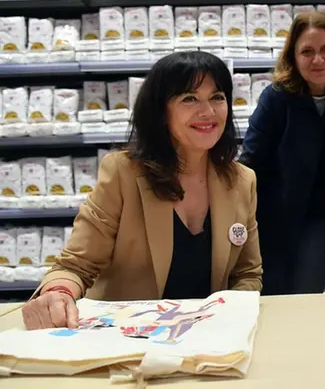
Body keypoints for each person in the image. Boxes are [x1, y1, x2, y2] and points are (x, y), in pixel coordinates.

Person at [22, 51, 263, 330]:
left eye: (217, 97)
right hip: (124, 340)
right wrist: (59, 293)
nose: (207, 112)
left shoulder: (242, 181)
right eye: (189, 98)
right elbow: (75, 265)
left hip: (207, 339)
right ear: (161, 112)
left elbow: (247, 272)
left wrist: (230, 317)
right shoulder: (122, 173)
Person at [239, 11, 325, 295]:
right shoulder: (276, 97)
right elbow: (250, 163)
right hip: (278, 219)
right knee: (283, 296)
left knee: (309, 293)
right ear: (293, 57)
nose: (318, 59)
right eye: (307, 51)